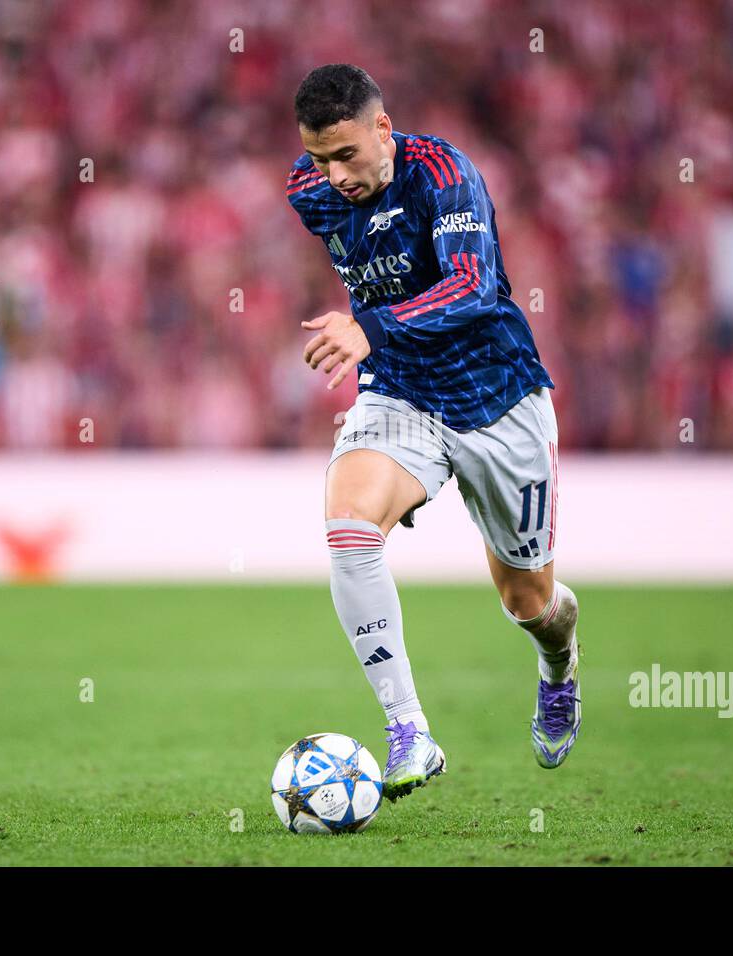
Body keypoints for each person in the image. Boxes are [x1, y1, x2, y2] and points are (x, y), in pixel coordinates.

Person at [287, 64, 581, 802]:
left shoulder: (444, 173)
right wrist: (374, 340)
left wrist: (370, 326)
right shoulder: (308, 189)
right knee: (349, 526)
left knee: (528, 600)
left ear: (384, 129)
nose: (334, 175)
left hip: (498, 396)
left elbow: (474, 287)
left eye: (348, 155)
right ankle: (409, 731)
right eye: (321, 158)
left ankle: (559, 664)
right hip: (402, 394)